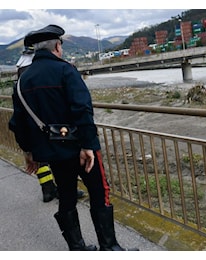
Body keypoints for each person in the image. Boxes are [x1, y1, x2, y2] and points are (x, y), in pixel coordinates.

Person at [9, 24, 138, 251]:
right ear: (57, 47)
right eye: (61, 46)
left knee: (67, 197)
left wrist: (29, 152)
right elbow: (82, 109)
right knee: (100, 193)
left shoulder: (22, 81)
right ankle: (109, 248)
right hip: (81, 148)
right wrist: (88, 144)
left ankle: (77, 249)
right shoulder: (66, 70)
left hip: (54, 155)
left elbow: (18, 123)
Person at [15, 43, 86, 203]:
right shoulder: (38, 67)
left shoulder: (21, 66)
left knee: (42, 159)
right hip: (52, 121)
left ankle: (47, 189)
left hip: (33, 122)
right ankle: (66, 191)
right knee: (62, 160)